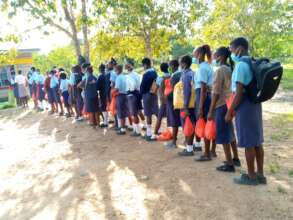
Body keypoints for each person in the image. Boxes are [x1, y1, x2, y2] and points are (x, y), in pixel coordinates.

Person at [225, 37, 265, 185]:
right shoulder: (252, 62)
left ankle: (251, 176)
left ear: (240, 49)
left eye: (232, 49)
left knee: (248, 142)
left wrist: (230, 111)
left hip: (245, 106)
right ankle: (260, 174)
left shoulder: (241, 65)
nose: (231, 53)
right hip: (255, 105)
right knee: (257, 141)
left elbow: (239, 92)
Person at [207, 47, 241, 172]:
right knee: (230, 132)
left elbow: (216, 92)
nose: (213, 56)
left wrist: (211, 110)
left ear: (220, 56)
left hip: (221, 105)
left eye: (215, 54)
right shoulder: (229, 68)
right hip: (228, 104)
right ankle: (235, 158)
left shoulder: (220, 70)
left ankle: (229, 163)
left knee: (223, 134)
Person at [193, 44, 216, 161]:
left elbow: (202, 89)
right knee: (209, 123)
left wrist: (200, 107)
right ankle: (211, 151)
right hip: (207, 96)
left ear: (200, 55)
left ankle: (206, 153)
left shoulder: (202, 68)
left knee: (205, 123)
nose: (194, 58)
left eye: (195, 55)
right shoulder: (208, 66)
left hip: (203, 98)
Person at [178, 55, 196, 156]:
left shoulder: (185, 75)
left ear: (184, 64)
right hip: (192, 104)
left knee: (188, 125)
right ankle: (190, 147)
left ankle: (189, 149)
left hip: (187, 105)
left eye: (180, 62)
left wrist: (185, 106)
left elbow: (187, 91)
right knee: (190, 124)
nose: (179, 64)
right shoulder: (192, 73)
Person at [140, 57, 158, 141]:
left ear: (145, 65)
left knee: (148, 114)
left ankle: (149, 133)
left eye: (143, 65)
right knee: (156, 112)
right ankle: (159, 130)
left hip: (146, 95)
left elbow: (142, 87)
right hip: (154, 94)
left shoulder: (146, 74)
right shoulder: (154, 72)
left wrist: (141, 94)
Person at [165, 59, 182, 148]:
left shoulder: (175, 76)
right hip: (181, 101)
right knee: (181, 120)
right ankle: (188, 142)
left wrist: (167, 96)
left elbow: (173, 91)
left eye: (170, 66)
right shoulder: (180, 74)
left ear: (174, 66)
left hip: (174, 101)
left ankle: (174, 142)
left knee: (175, 121)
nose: (169, 68)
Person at [125, 60, 142, 136]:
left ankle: (137, 131)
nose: (126, 67)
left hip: (132, 95)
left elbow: (133, 85)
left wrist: (130, 90)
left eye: (127, 66)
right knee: (136, 112)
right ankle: (136, 130)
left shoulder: (129, 75)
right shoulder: (137, 74)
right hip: (137, 94)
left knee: (134, 114)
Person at [153, 62, 170, 137]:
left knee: (159, 117)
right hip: (172, 100)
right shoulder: (172, 76)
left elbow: (155, 90)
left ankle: (155, 132)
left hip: (163, 100)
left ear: (161, 69)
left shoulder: (160, 78)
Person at [113, 64, 129, 135]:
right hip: (125, 95)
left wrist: (111, 92)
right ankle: (123, 127)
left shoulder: (118, 78)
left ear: (118, 70)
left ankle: (122, 129)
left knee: (121, 112)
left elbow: (117, 88)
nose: (115, 71)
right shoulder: (125, 76)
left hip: (120, 96)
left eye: (115, 70)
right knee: (124, 111)